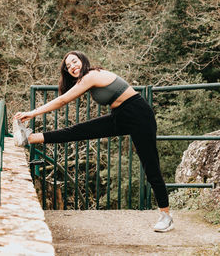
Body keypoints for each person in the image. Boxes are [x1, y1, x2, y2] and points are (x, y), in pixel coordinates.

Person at [13, 50, 174, 232]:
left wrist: (32, 113)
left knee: (150, 165)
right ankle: (30, 138)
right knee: (79, 131)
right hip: (120, 115)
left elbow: (64, 100)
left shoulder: (91, 75)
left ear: (83, 60)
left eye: (75, 62)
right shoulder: (86, 79)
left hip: (138, 114)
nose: (73, 67)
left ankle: (166, 216)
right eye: (68, 66)